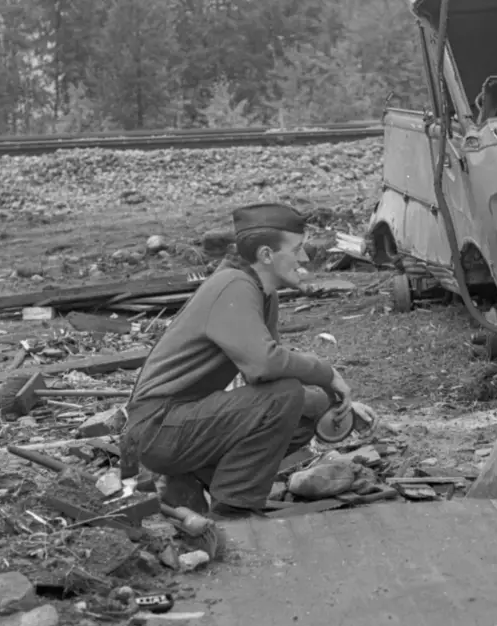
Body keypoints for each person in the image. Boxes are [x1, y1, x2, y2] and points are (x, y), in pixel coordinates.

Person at [120, 203, 352, 520]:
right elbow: (265, 366)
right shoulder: (235, 286)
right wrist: (326, 372)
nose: (305, 259)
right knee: (286, 396)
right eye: (297, 250)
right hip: (157, 427)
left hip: (180, 421)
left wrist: (335, 401)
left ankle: (195, 479)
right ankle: (234, 510)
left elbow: (267, 375)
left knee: (302, 404)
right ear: (267, 255)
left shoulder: (261, 292)